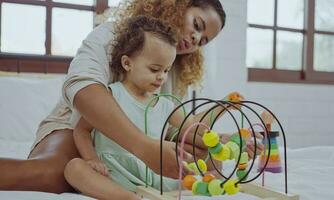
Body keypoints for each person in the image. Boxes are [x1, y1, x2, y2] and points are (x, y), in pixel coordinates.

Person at [0, 0, 263, 193]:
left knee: (203, 156)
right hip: (76, 128)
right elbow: (83, 91)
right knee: (54, 172)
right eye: (197, 25)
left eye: (203, 40)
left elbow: (174, 127)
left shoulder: (173, 72)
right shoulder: (113, 35)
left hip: (134, 151)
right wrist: (145, 147)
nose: (195, 38)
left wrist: (223, 142)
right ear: (178, 5)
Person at [64, 15, 242, 200]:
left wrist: (224, 105)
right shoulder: (111, 95)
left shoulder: (165, 104)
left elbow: (195, 125)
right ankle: (126, 197)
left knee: (213, 164)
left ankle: (209, 186)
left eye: (166, 70)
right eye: (154, 69)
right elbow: (81, 131)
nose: (161, 77)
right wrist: (91, 159)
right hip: (114, 173)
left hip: (155, 177)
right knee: (74, 168)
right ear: (127, 63)